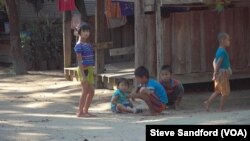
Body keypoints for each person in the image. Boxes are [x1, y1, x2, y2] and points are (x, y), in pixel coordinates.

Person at [204, 32, 232, 112]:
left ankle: (208, 102)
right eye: (228, 40)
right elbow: (218, 62)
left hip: (219, 74)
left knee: (218, 91)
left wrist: (215, 73)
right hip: (222, 74)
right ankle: (221, 108)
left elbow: (214, 61)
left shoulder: (219, 50)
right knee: (225, 92)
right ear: (223, 40)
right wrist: (215, 73)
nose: (229, 41)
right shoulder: (222, 51)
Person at [74, 22, 95, 117]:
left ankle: (85, 110)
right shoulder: (79, 45)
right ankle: (80, 112)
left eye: (88, 31)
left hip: (89, 70)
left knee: (91, 92)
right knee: (85, 91)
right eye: (84, 31)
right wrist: (83, 75)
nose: (86, 33)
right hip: (84, 70)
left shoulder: (87, 44)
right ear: (79, 32)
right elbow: (79, 62)